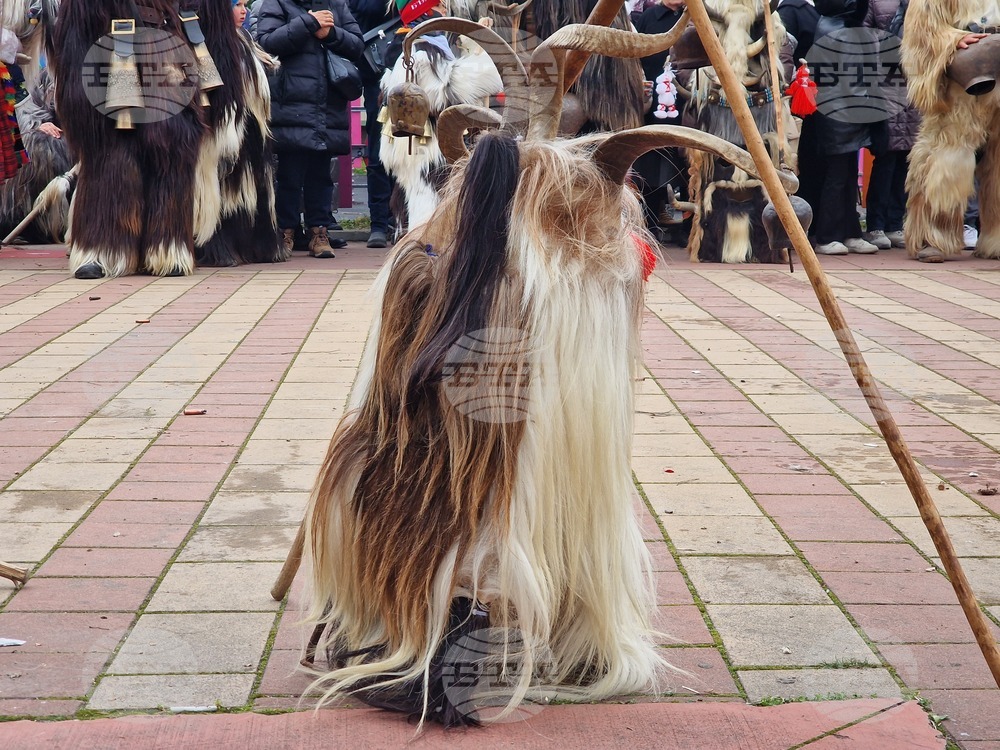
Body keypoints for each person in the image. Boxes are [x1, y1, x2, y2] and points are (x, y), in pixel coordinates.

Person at [256, 0, 363, 258]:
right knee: (289, 175)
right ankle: (286, 233)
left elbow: (357, 45)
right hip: (290, 103)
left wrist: (332, 34)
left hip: (327, 103)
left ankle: (319, 233)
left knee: (321, 176)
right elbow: (266, 43)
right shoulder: (277, 3)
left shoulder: (335, 4)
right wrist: (308, 23)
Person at [810, 0, 881, 255]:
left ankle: (849, 232)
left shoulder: (829, 24)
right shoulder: (843, 29)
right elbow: (854, 80)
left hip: (837, 113)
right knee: (839, 177)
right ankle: (828, 236)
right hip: (844, 114)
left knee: (845, 175)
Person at [860, 0, 918, 250]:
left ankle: (895, 223)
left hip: (915, 90)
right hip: (885, 87)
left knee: (907, 161)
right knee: (885, 160)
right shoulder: (875, 2)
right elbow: (862, 36)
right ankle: (875, 225)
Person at [633, 0, 687, 243]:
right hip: (653, 106)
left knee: (685, 165)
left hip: (688, 106)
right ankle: (652, 223)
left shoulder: (697, 18)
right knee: (652, 166)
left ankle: (683, 226)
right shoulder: (648, 18)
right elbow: (635, 58)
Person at [348, 0, 397, 249]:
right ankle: (379, 222)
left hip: (413, 66)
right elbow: (360, 14)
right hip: (376, 71)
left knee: (413, 144)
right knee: (379, 147)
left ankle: (403, 218)